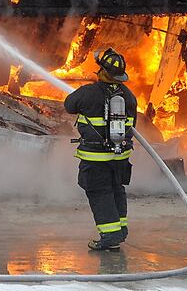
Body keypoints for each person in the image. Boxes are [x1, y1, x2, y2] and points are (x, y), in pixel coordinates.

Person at [64, 48, 137, 251]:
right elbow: (133, 126)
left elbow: (69, 105)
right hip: (120, 157)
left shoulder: (89, 92)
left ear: (102, 71)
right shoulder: (129, 97)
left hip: (95, 159)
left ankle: (110, 236)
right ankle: (120, 231)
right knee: (117, 190)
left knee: (99, 193)